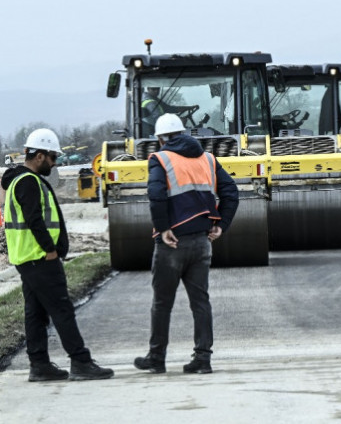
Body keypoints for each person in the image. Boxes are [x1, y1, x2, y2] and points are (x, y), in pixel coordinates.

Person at [2, 128, 114, 382]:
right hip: (40, 258)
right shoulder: (28, 182)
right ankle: (81, 361)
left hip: (27, 258)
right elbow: (34, 220)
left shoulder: (19, 181)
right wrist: (50, 250)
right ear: (39, 155)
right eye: (53, 157)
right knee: (62, 309)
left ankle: (40, 365)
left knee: (36, 312)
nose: (55, 163)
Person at [134, 113, 239, 375]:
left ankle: (156, 358)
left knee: (162, 303)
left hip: (172, 243)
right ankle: (202, 359)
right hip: (202, 242)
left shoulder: (160, 158)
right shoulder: (208, 158)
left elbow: (156, 195)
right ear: (183, 133)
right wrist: (221, 225)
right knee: (200, 302)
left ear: (160, 138)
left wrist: (163, 228)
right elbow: (231, 193)